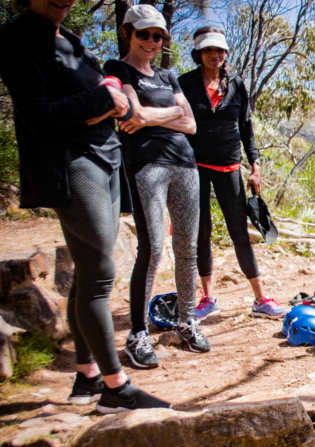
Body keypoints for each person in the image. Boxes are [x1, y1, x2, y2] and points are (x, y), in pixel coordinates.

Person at [0, 0, 169, 411]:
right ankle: (116, 388)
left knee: (85, 273)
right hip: (72, 165)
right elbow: (38, 114)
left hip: (106, 158)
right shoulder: (17, 39)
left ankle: (87, 375)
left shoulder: (71, 41)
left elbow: (100, 94)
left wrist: (114, 97)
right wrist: (103, 101)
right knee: (99, 273)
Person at [104, 4, 210, 368]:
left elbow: (192, 124)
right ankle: (137, 334)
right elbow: (132, 115)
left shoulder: (167, 77)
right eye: (144, 34)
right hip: (147, 166)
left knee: (188, 249)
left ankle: (186, 321)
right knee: (151, 251)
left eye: (157, 36)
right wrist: (167, 115)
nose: (151, 41)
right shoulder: (117, 70)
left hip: (185, 165)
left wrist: (152, 116)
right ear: (128, 34)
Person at [179, 26, 287, 320]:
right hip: (195, 167)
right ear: (199, 54)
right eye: (209, 50)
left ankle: (261, 298)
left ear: (226, 54)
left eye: (219, 51)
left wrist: (256, 164)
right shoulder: (185, 84)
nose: (215, 55)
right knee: (201, 232)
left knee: (239, 231)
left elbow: (247, 126)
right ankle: (207, 298)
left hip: (229, 166)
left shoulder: (236, 84)